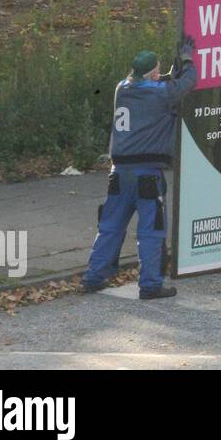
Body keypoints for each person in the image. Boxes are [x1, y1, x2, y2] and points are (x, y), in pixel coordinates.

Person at [82, 37, 197, 300]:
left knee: (110, 226)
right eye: (157, 71)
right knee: (151, 230)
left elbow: (158, 83)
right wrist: (187, 61)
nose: (159, 75)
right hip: (147, 173)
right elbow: (188, 83)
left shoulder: (122, 88)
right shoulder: (159, 93)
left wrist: (168, 72)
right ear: (151, 73)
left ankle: (93, 277)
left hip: (119, 172)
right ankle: (150, 285)